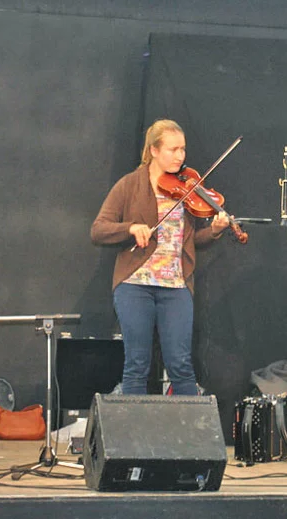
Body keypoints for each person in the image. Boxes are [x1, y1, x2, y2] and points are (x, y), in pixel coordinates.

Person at [91, 119, 229, 396]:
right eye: (173, 149)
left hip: (176, 286)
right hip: (135, 284)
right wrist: (130, 228)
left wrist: (214, 231)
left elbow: (192, 242)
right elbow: (98, 230)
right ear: (154, 150)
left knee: (181, 365)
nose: (180, 156)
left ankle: (190, 437)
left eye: (183, 150)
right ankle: (133, 438)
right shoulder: (129, 185)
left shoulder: (187, 187)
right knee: (137, 365)